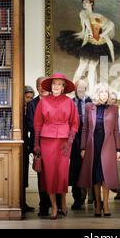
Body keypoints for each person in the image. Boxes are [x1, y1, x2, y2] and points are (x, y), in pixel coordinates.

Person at [34, 73, 80, 220]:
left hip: (64, 142)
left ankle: (63, 202)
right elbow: (37, 124)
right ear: (51, 86)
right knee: (49, 174)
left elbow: (75, 123)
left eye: (59, 84)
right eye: (54, 84)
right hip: (46, 141)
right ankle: (53, 205)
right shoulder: (43, 102)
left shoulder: (70, 102)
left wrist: (70, 141)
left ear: (63, 87)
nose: (56, 86)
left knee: (62, 173)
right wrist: (36, 144)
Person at [57, 0, 120, 92]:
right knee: (82, 66)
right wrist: (91, 33)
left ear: (91, 3)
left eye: (86, 2)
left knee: (92, 68)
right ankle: (71, 89)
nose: (84, 4)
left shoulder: (98, 16)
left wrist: (103, 34)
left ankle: (92, 92)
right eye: (83, 3)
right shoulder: (83, 13)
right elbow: (87, 25)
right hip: (88, 42)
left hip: (98, 43)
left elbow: (111, 25)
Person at [78, 83, 120, 217]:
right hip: (93, 146)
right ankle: (98, 205)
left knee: (105, 176)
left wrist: (118, 149)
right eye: (101, 92)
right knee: (95, 176)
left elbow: (116, 130)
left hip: (108, 145)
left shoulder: (114, 108)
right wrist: (83, 147)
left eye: (106, 92)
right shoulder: (89, 107)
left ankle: (106, 205)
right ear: (97, 94)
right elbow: (85, 128)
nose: (104, 94)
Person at [26, 78, 55, 217]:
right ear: (37, 87)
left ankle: (56, 204)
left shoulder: (56, 101)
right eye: (39, 85)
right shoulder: (32, 104)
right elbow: (31, 124)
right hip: (39, 145)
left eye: (44, 85)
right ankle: (44, 205)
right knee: (41, 176)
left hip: (55, 144)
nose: (41, 88)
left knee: (55, 175)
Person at [70, 80, 92, 210]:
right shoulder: (70, 102)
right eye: (78, 89)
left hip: (89, 138)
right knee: (76, 170)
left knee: (91, 168)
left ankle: (93, 197)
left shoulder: (92, 102)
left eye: (83, 89)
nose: (80, 92)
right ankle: (77, 199)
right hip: (75, 140)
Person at [22, 86, 36, 214]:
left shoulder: (31, 109)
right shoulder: (19, 110)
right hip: (20, 145)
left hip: (27, 145)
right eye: (27, 97)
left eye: (31, 98)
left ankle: (23, 202)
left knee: (25, 174)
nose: (29, 100)